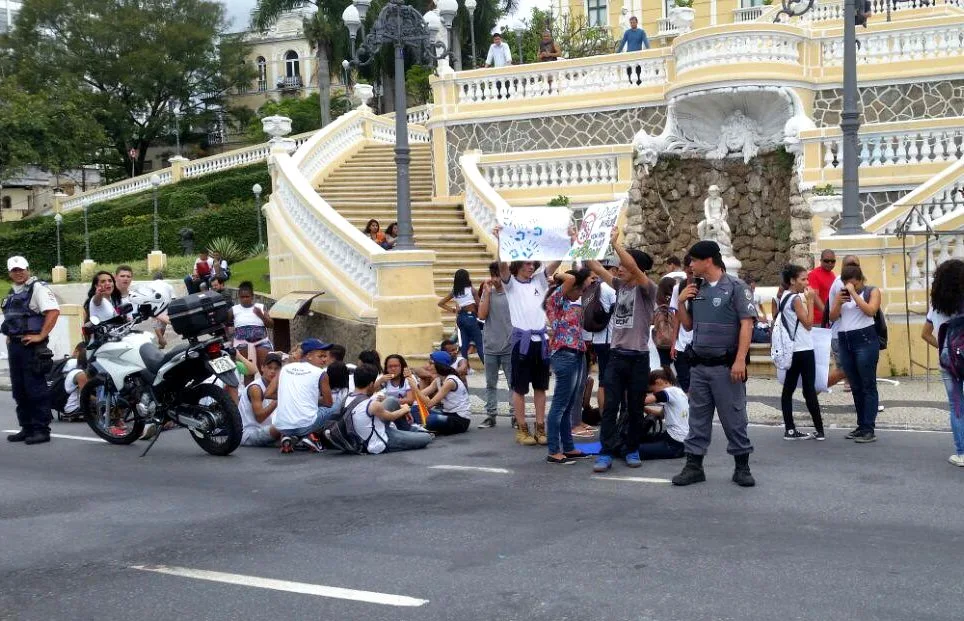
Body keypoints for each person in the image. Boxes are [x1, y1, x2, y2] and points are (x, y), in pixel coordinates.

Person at [672, 240, 757, 487]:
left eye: (694, 261)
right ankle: (694, 466)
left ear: (708, 260)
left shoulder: (736, 288)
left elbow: (747, 324)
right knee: (697, 418)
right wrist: (680, 303)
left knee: (734, 417)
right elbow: (688, 325)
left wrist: (740, 359)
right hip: (699, 366)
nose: (690, 265)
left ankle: (742, 466)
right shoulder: (695, 288)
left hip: (726, 366)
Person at [587, 228, 657, 473]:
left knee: (635, 408)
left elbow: (632, 267)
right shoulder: (619, 286)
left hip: (638, 357)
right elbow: (594, 266)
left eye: (624, 266)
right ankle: (605, 452)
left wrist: (615, 245)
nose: (619, 269)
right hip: (617, 355)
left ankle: (632, 448)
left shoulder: (648, 288)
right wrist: (581, 241)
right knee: (610, 407)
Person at [496, 237, 567, 446]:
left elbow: (555, 262)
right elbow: (501, 264)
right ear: (517, 265)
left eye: (532, 263)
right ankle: (522, 428)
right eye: (526, 263)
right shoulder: (510, 284)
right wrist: (501, 240)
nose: (530, 266)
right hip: (521, 341)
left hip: (541, 340)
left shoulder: (539, 281)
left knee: (540, 387)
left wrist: (569, 243)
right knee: (519, 388)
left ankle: (540, 427)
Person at [3, 256, 61, 445]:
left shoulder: (38, 288)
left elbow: (53, 311)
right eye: (14, 270)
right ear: (9, 272)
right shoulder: (13, 292)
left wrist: (41, 336)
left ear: (28, 269)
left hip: (32, 347)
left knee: (35, 388)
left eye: (21, 269)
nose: (18, 273)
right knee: (19, 389)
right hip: (16, 347)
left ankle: (41, 429)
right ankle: (27, 427)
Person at [544, 269, 594, 465]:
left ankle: (569, 447)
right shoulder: (555, 300)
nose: (580, 294)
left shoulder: (565, 303)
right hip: (564, 354)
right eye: (579, 290)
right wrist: (559, 277)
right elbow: (571, 278)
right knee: (560, 404)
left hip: (577, 353)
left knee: (568, 404)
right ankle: (554, 450)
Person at [830, 264, 882, 443]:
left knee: (868, 385)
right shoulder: (842, 296)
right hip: (845, 341)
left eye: (853, 284)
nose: (850, 287)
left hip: (865, 341)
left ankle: (869, 428)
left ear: (860, 280)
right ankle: (861, 425)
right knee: (856, 386)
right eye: (847, 284)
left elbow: (870, 311)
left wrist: (853, 295)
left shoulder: (872, 291)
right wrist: (838, 301)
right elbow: (832, 317)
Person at [921, 259, 964, 466]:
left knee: (956, 406)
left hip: (948, 363)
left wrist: (946, 349)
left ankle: (961, 453)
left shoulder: (936, 306)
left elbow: (925, 334)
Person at [778, 265, 825, 441]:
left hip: (792, 349)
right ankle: (819, 430)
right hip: (803, 350)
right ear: (792, 280)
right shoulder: (796, 299)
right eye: (803, 279)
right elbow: (808, 323)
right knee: (809, 390)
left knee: (787, 391)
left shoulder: (783, 296)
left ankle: (790, 429)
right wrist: (811, 300)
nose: (806, 282)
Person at [266, 338, 333, 453]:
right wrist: (310, 399)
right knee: (336, 406)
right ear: (309, 356)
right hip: (306, 425)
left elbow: (268, 393)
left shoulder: (285, 368)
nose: (325, 360)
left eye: (325, 356)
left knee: (305, 415)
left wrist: (290, 396)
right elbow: (328, 403)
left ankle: (289, 437)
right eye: (321, 356)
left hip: (282, 426)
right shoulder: (321, 373)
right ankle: (311, 436)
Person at [350, 364, 433, 454]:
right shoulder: (371, 404)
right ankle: (408, 433)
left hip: (366, 432)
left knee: (392, 400)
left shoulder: (348, 398)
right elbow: (391, 417)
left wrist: (401, 407)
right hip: (379, 441)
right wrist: (405, 409)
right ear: (371, 384)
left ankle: (407, 429)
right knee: (426, 437)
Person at [582, 258, 618, 430]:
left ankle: (605, 416)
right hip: (609, 339)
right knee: (607, 381)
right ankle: (607, 416)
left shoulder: (595, 287)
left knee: (603, 379)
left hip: (598, 338)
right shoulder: (608, 287)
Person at [477, 262, 513, 429]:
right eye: (493, 275)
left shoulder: (511, 293)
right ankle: (491, 415)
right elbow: (482, 315)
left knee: (513, 383)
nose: (495, 279)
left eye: (498, 275)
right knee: (490, 383)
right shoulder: (488, 293)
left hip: (510, 345)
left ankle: (515, 415)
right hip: (490, 345)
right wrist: (486, 292)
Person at [408, 351, 472, 435]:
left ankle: (427, 428)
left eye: (431, 364)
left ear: (439, 365)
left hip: (460, 420)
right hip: (447, 414)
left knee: (431, 419)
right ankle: (427, 427)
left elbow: (430, 404)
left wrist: (415, 388)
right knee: (415, 409)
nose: (428, 366)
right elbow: (420, 396)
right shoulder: (438, 380)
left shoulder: (450, 381)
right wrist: (413, 382)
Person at [639, 369, 688, 460]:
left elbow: (644, 400)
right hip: (676, 438)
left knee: (634, 450)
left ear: (659, 382)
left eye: (653, 390)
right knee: (643, 439)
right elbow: (660, 414)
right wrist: (644, 409)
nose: (653, 393)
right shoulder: (678, 392)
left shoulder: (670, 391)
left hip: (675, 444)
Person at [438, 269, 484, 363]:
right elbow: (480, 304)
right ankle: (488, 367)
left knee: (464, 344)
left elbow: (441, 303)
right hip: (471, 317)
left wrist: (453, 310)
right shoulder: (471, 290)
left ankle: (465, 367)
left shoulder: (455, 291)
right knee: (479, 343)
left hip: (460, 318)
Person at [238, 352, 282, 447]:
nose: (273, 371)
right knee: (283, 427)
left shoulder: (279, 385)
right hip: (250, 434)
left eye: (276, 369)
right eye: (269, 367)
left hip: (268, 430)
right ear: (262, 368)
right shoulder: (256, 388)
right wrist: (278, 399)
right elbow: (260, 418)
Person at [231, 281, 273, 371]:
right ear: (239, 297)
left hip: (261, 341)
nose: (245, 299)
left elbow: (271, 325)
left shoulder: (260, 307)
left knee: (265, 369)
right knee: (248, 372)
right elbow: (226, 325)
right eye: (242, 297)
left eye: (247, 296)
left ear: (252, 296)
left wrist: (261, 315)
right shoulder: (234, 310)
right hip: (242, 343)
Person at [669, 254, 695, 392]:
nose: (693, 274)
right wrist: (673, 343)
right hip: (682, 344)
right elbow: (676, 317)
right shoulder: (678, 288)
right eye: (690, 271)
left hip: (698, 343)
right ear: (685, 269)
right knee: (684, 381)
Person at [808, 249, 837, 328]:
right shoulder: (814, 274)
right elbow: (814, 297)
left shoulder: (832, 275)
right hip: (818, 321)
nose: (830, 263)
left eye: (832, 261)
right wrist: (826, 314)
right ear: (821, 261)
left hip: (829, 319)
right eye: (826, 261)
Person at [62, 342, 89, 422]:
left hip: (69, 405)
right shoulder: (80, 374)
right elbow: (84, 395)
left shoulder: (75, 371)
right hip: (74, 407)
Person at [150, 272, 175, 349]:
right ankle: (161, 340)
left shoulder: (149, 285)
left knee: (156, 323)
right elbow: (174, 298)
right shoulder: (169, 285)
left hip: (154, 306)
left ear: (153, 278)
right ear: (162, 278)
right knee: (163, 324)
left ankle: (161, 339)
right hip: (166, 306)